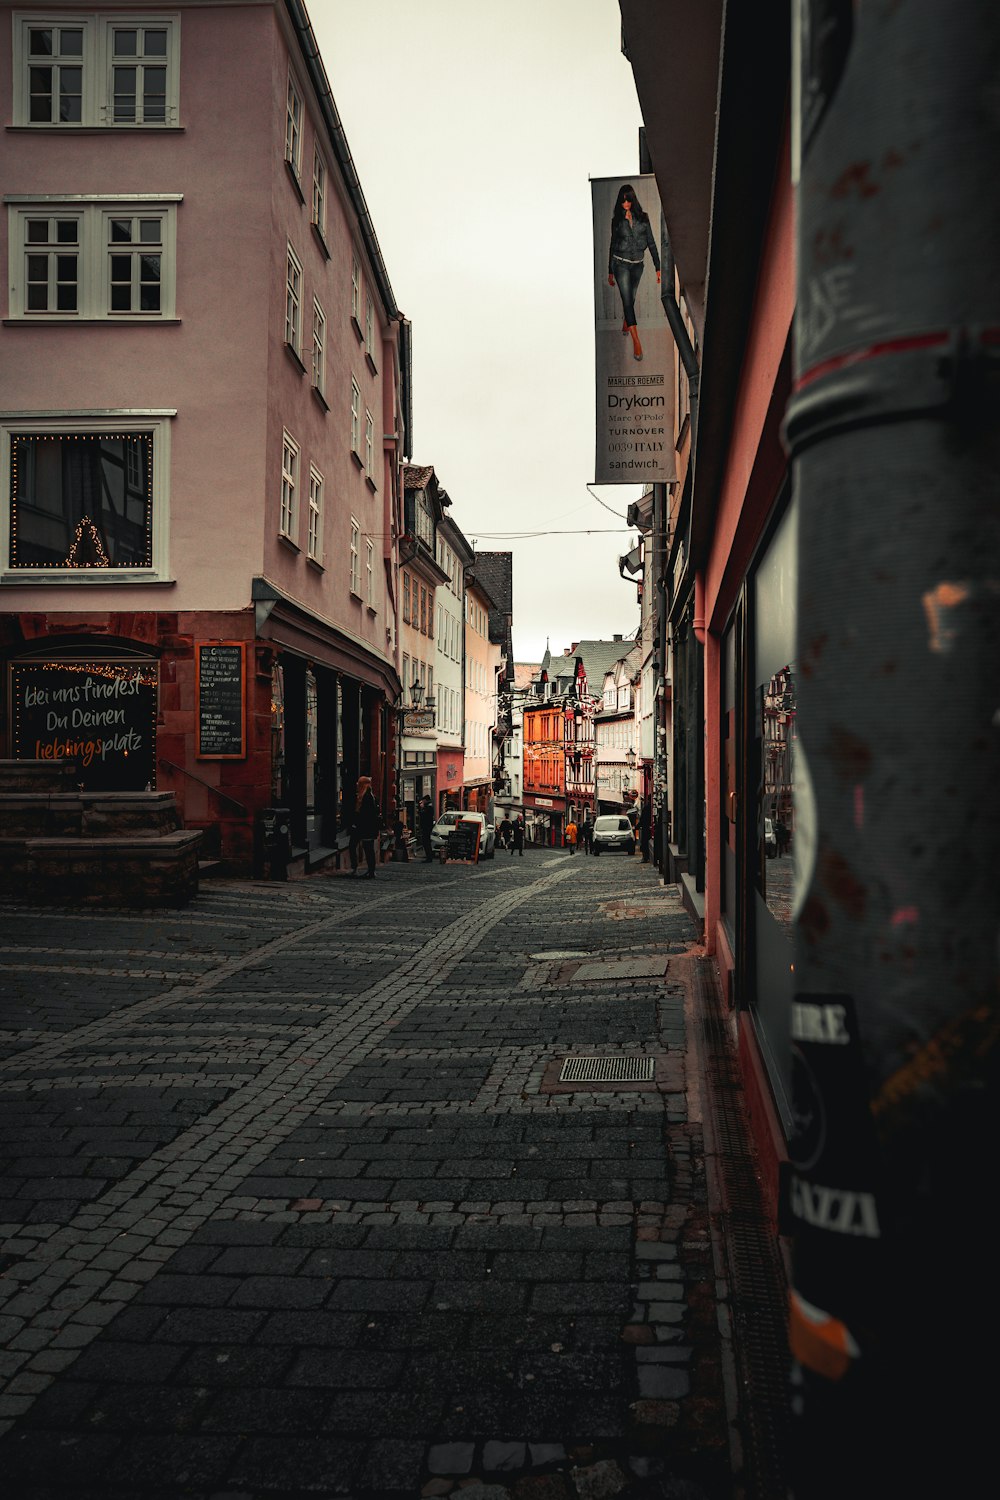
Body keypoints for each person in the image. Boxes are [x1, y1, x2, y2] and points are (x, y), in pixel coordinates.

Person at [607, 183, 661, 363]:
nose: (626, 204)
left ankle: (625, 322)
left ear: (633, 199)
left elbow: (652, 243)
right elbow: (612, 245)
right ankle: (636, 342)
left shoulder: (643, 219)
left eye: (628, 200)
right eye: (623, 201)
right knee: (628, 300)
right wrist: (610, 270)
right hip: (620, 263)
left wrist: (658, 267)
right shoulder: (617, 221)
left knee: (632, 297)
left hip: (638, 265)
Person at [350, 775, 379, 880]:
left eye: (359, 783)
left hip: (365, 828)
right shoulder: (364, 796)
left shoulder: (367, 797)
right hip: (363, 828)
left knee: (368, 849)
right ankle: (363, 869)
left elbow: (367, 815)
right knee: (355, 846)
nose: (357, 785)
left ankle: (370, 871)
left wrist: (357, 823)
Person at [418, 795, 435, 863]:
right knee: (426, 842)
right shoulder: (428, 807)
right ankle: (429, 857)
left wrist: (421, 809)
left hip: (426, 827)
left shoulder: (429, 807)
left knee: (426, 842)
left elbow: (424, 816)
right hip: (427, 827)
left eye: (424, 800)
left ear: (426, 800)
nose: (423, 801)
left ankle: (429, 857)